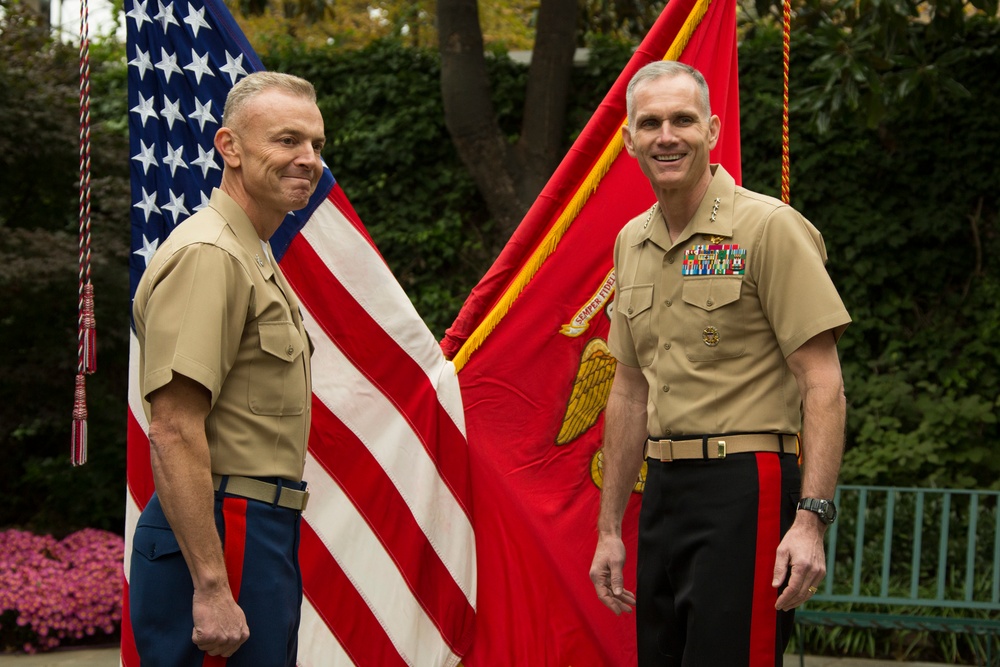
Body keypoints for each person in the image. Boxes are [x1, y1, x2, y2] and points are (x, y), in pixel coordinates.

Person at [589, 61, 851, 666]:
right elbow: (629, 391)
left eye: (682, 120)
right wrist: (608, 529)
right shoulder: (631, 241)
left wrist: (811, 520)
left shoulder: (768, 229)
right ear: (629, 140)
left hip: (748, 487)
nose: (667, 136)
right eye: (649, 123)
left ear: (712, 129)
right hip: (664, 491)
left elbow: (823, 382)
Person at [129, 71, 325, 666]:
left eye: (316, 144)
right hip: (221, 530)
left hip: (252, 528)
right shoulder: (212, 255)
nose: (308, 160)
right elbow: (174, 428)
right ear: (230, 148)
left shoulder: (248, 254)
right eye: (287, 140)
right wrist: (212, 586)